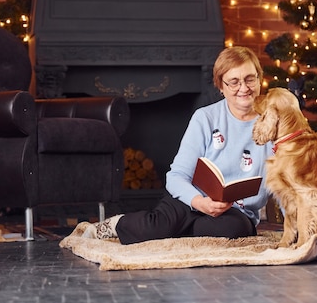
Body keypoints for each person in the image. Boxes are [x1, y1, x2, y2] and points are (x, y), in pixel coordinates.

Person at [82, 46, 273, 244]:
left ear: (260, 79)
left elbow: (288, 182)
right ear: (221, 87)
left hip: (234, 213)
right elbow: (176, 176)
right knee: (154, 228)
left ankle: (173, 230)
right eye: (234, 82)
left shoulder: (274, 121)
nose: (244, 88)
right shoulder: (205, 118)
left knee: (234, 231)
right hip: (191, 200)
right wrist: (199, 202)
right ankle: (117, 224)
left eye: (250, 79)